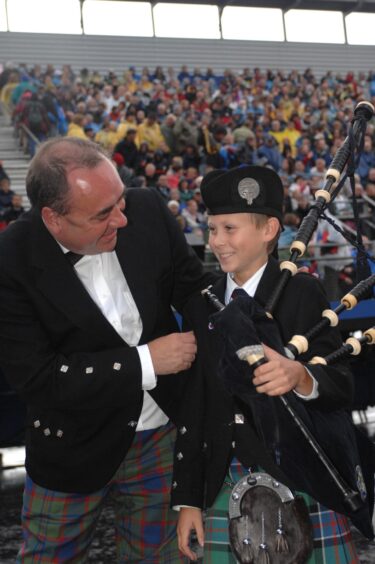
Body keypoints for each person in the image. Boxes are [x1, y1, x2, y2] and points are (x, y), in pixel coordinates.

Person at [0, 137, 213, 562]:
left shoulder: (147, 208)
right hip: (70, 445)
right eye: (102, 214)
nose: (121, 217)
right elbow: (39, 379)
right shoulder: (10, 261)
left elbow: (194, 292)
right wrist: (147, 361)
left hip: (161, 436)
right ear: (53, 219)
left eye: (119, 201)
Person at [173, 165, 360, 563]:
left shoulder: (303, 292)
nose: (217, 241)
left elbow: (341, 385)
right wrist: (187, 499)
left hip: (304, 477)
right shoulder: (201, 304)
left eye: (229, 229)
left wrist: (300, 376)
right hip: (227, 480)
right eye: (212, 229)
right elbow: (196, 403)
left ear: (269, 230)